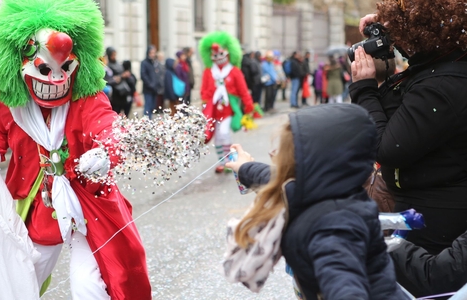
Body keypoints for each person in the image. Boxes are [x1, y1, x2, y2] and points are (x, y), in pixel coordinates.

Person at [0, 0, 151, 298]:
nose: (56, 79)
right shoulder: (11, 101)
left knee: (90, 285)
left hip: (86, 204)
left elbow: (109, 127)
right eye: (45, 68)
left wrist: (106, 152)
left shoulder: (87, 99)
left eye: (64, 68)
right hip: (38, 206)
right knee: (22, 276)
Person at [225, 104, 409, 300]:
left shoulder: (334, 227)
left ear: (316, 164)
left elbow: (344, 286)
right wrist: (245, 167)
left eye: (286, 151)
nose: (275, 154)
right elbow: (275, 179)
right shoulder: (322, 190)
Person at [350, 1, 467, 296]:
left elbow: (388, 148)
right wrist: (392, 23)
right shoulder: (445, 63)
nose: (397, 43)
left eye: (401, 32)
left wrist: (364, 89)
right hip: (431, 205)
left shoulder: (441, 85)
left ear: (424, 31)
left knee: (417, 288)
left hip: (433, 218)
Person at [199, 31, 254, 174]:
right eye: (215, 55)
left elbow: (243, 90)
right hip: (214, 110)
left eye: (221, 54)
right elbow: (204, 90)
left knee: (224, 132)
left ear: (229, 53)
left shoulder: (234, 71)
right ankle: (222, 162)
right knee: (217, 138)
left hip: (229, 109)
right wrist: (205, 105)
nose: (218, 57)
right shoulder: (208, 71)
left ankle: (230, 161)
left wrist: (249, 106)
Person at [105, 47, 133, 117]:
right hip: (115, 94)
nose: (114, 57)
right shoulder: (108, 66)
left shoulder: (118, 64)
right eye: (112, 55)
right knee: (116, 113)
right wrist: (121, 76)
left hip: (123, 92)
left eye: (115, 55)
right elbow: (110, 79)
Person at [140, 45, 160, 119]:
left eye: (154, 53)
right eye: (151, 53)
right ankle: (146, 123)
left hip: (154, 89)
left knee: (152, 107)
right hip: (148, 89)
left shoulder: (155, 63)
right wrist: (150, 84)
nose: (153, 54)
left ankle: (149, 121)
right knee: (147, 107)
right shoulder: (144, 63)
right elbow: (143, 75)